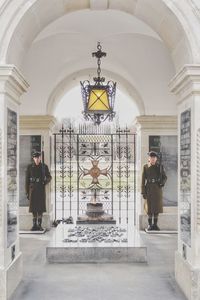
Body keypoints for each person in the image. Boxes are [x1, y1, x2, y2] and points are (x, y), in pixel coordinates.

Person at [25, 151, 52, 231]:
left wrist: (45, 181)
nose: (37, 159)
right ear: (33, 158)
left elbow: (49, 177)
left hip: (40, 188)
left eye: (38, 158)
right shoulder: (30, 167)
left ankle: (39, 225)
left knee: (40, 208)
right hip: (32, 189)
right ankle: (34, 225)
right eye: (35, 158)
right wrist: (27, 192)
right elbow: (27, 180)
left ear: (40, 158)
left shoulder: (44, 166)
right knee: (33, 208)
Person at [141, 151, 167, 231]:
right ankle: (149, 225)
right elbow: (142, 180)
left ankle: (155, 225)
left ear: (156, 159)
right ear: (149, 158)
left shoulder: (160, 167)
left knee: (156, 208)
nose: (152, 159)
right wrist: (143, 191)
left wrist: (161, 183)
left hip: (157, 189)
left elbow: (165, 177)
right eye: (151, 158)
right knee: (149, 208)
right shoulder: (145, 167)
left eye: (154, 158)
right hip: (149, 188)